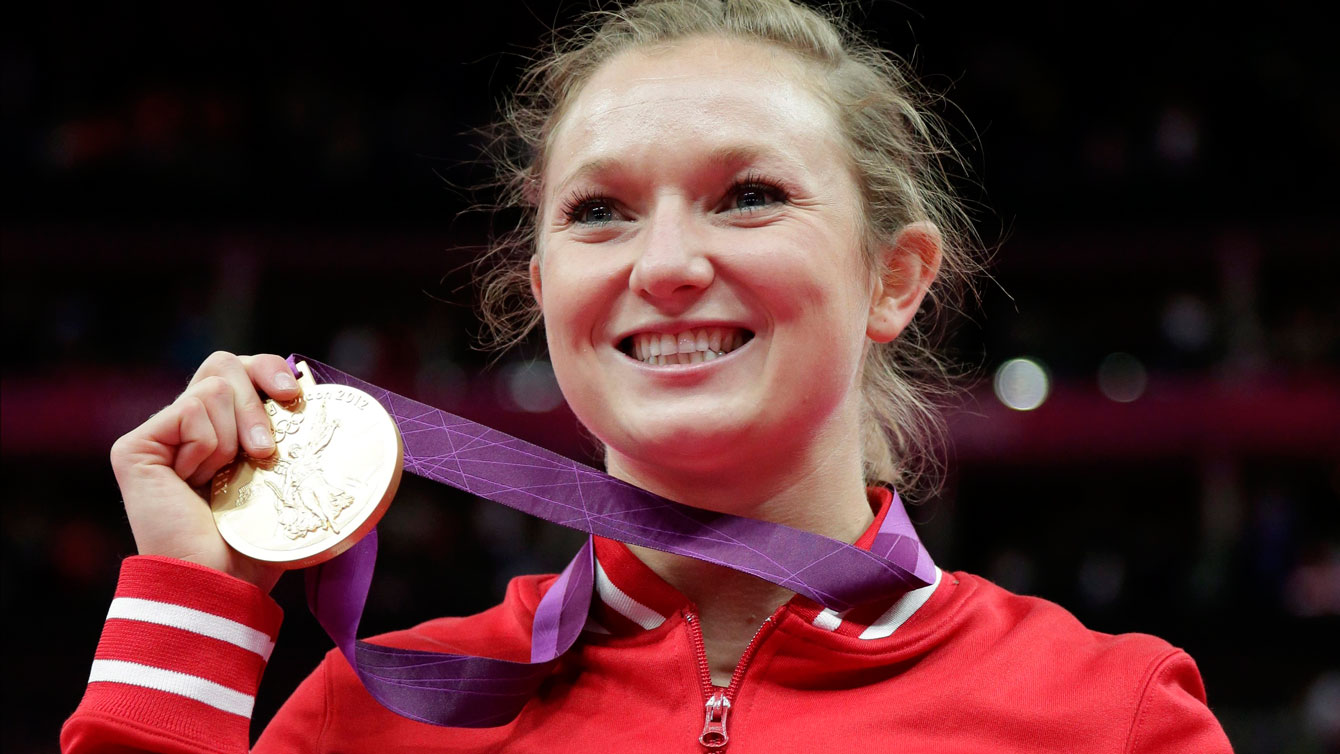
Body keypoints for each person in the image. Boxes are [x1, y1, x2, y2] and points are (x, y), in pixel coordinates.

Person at [61, 0, 1233, 751]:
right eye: (600, 213)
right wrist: (191, 600)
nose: (666, 264)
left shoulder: (1105, 715)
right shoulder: (370, 718)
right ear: (544, 290)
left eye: (749, 195)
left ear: (894, 277)